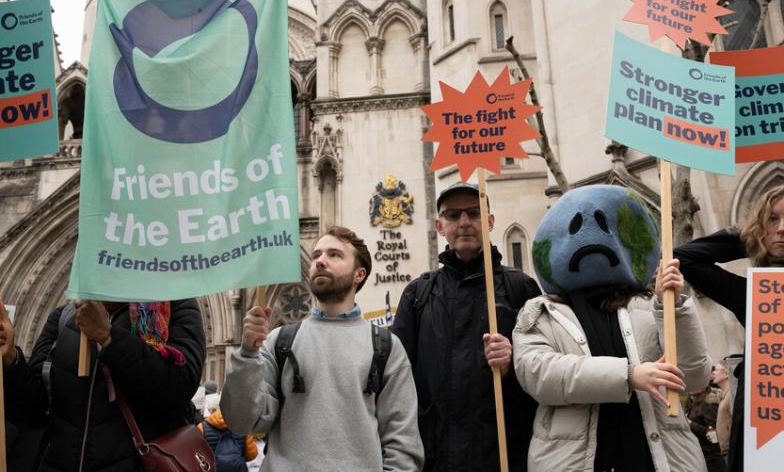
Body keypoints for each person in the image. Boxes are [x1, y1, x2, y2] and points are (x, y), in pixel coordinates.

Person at [513, 184, 711, 472]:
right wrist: (629, 375)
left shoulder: (649, 306)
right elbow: (540, 375)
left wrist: (676, 306)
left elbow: (693, 378)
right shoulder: (540, 313)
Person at [221, 226, 423, 471]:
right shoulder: (280, 341)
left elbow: (402, 444)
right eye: (316, 255)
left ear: (359, 274)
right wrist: (248, 353)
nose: (319, 261)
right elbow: (242, 422)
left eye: (334, 255)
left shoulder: (385, 347)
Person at [391, 182, 541, 472]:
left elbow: (544, 372)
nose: (464, 223)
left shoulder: (520, 288)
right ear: (439, 225)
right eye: (453, 215)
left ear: (490, 221)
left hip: (504, 456)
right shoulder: (418, 294)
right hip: (435, 459)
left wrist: (513, 364)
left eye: (474, 213)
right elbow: (398, 380)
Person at [0, 299, 206, 471]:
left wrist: (107, 337)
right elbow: (33, 413)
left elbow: (179, 385)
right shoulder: (65, 318)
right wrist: (9, 357)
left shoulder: (173, 307)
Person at [673, 184, 784, 472]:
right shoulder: (752, 295)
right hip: (770, 434)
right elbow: (684, 258)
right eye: (772, 219)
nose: (782, 228)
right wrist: (750, 238)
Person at [198, 396, 258, 472]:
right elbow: (252, 455)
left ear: (211, 410)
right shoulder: (243, 427)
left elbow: (198, 456)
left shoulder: (201, 427)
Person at [687, 382, 725, 472]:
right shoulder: (694, 402)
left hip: (710, 457)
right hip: (700, 453)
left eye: (695, 383)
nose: (690, 387)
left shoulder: (709, 404)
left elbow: (713, 434)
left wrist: (690, 424)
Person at [712, 360, 732, 462]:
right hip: (727, 450)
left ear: (726, 374)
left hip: (731, 450)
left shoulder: (731, 396)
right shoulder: (726, 395)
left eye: (716, 370)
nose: (713, 373)